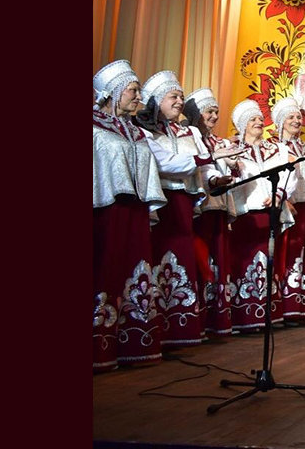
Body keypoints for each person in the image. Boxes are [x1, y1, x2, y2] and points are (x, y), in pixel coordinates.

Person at [136, 71, 242, 347]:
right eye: (174, 96)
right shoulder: (144, 130)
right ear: (157, 100)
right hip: (161, 201)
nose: (180, 100)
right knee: (160, 259)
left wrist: (215, 179)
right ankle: (155, 329)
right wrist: (210, 157)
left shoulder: (189, 131)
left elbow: (203, 168)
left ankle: (180, 329)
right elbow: (165, 162)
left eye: (182, 96)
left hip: (185, 202)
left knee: (182, 260)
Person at [93, 60, 167, 371]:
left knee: (135, 272)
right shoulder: (94, 128)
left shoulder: (134, 131)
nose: (139, 97)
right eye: (133, 91)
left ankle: (133, 344)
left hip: (135, 213)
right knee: (105, 270)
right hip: (105, 211)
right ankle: (100, 347)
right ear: (113, 93)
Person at [224, 99, 295, 331]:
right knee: (244, 262)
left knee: (268, 262)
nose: (258, 122)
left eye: (260, 119)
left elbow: (289, 175)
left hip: (271, 212)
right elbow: (230, 182)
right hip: (246, 215)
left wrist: (279, 195)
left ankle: (267, 315)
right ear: (243, 124)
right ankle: (244, 317)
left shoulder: (277, 149)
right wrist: (232, 166)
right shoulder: (232, 150)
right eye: (253, 119)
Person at [183, 87, 237, 338]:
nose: (214, 116)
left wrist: (234, 168)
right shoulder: (191, 137)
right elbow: (198, 168)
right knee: (201, 263)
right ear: (197, 115)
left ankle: (216, 321)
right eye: (209, 112)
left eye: (216, 112)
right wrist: (215, 181)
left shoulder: (219, 141)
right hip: (200, 207)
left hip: (219, 207)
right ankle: (197, 319)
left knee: (218, 263)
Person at [270, 96, 305, 324]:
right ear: (281, 121)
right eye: (291, 117)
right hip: (286, 204)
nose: (296, 120)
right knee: (285, 250)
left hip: (303, 206)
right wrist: (283, 198)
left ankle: (298, 306)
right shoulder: (275, 146)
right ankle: (281, 305)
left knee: (300, 251)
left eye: (298, 117)